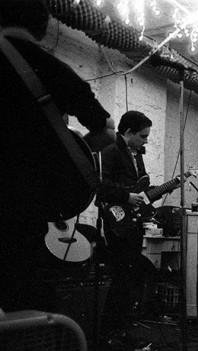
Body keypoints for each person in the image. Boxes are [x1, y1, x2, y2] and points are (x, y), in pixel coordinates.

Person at [0, 0, 114, 312]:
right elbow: (107, 131)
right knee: (20, 290)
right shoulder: (54, 69)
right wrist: (69, 151)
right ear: (43, 27)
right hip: (29, 199)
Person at [97, 111, 156, 333]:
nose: (146, 140)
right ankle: (112, 330)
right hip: (118, 222)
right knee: (122, 276)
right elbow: (100, 186)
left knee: (130, 275)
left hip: (133, 222)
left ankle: (122, 327)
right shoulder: (110, 152)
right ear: (129, 132)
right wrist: (126, 197)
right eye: (143, 136)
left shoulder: (136, 155)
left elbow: (141, 187)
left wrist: (163, 188)